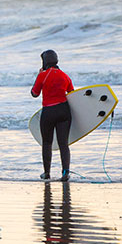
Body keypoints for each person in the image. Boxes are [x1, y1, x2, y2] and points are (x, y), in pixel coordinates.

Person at [31, 49, 74, 182]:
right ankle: (65, 172)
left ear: (45, 61)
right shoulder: (65, 76)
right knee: (63, 144)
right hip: (64, 111)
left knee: (47, 143)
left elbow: (34, 93)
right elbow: (72, 93)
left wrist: (39, 76)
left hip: (48, 112)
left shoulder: (43, 76)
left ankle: (47, 173)